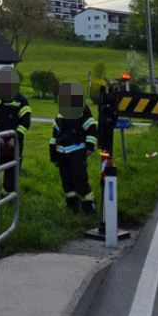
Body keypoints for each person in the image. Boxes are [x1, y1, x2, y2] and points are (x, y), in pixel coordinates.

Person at [0, 66, 31, 193]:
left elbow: (25, 122)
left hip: (14, 143)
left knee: (12, 173)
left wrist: (15, 138)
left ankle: (8, 196)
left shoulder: (21, 101)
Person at [50, 82, 96, 217]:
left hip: (77, 151)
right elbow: (55, 134)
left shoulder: (82, 110)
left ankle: (88, 206)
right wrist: (53, 152)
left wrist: (90, 147)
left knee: (79, 178)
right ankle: (72, 206)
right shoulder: (61, 112)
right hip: (62, 152)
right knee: (66, 181)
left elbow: (91, 129)